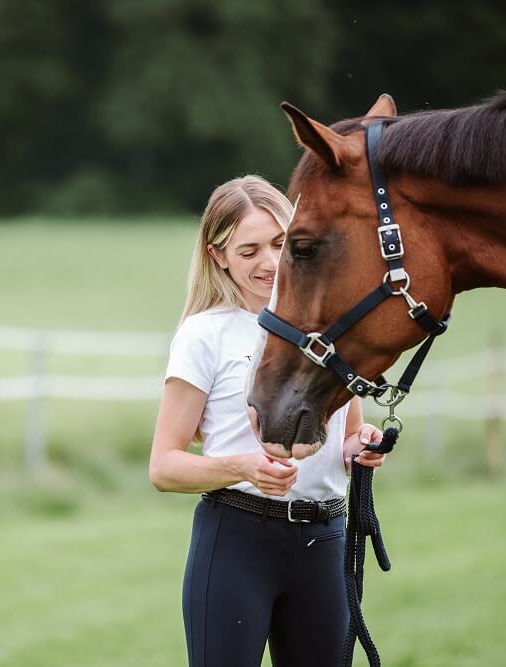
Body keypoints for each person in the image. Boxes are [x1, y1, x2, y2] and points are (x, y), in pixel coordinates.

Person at [149, 175, 387, 667]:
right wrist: (244, 467)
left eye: (280, 242)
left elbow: (346, 437)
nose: (270, 261)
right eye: (249, 249)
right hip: (236, 541)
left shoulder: (333, 325)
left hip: (325, 539)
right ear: (219, 257)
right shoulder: (203, 335)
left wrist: (360, 446)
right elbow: (164, 466)